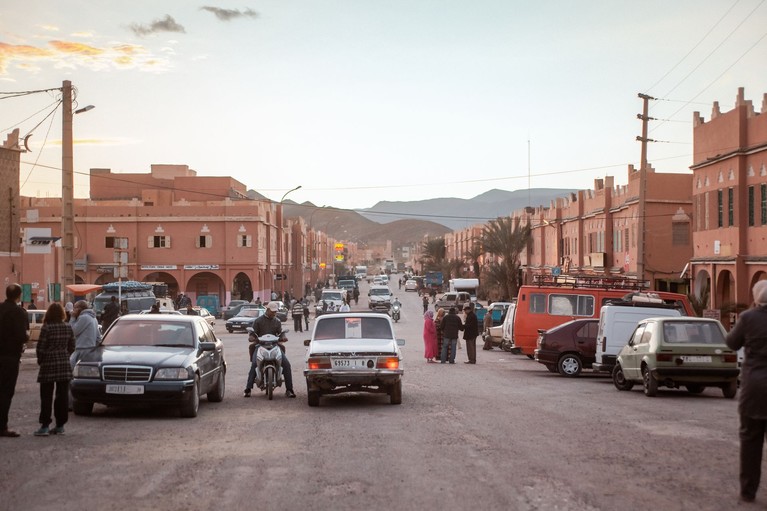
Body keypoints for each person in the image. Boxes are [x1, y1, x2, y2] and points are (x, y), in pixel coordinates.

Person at [726, 280, 767, 504]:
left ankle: (748, 491)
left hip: (754, 389)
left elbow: (732, 343)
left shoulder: (749, 318)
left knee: (751, 441)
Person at [34, 303, 75, 436]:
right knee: (62, 396)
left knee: (46, 396)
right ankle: (60, 425)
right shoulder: (67, 327)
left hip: (49, 364)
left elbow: (40, 347)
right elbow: (72, 346)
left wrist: (41, 360)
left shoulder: (47, 327)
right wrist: (65, 355)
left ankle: (45, 425)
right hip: (63, 363)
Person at [244, 302, 296, 398]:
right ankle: (248, 389)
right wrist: (251, 337)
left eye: (275, 312)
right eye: (272, 312)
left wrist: (283, 337)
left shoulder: (277, 321)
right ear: (267, 310)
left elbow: (281, 333)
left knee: (286, 364)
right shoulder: (258, 321)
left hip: (274, 346)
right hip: (260, 346)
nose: (273, 314)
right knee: (255, 364)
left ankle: (289, 389)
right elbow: (252, 334)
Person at [0, 284, 29, 438]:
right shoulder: (19, 313)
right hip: (10, 357)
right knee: (5, 392)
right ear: (19, 295)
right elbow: (22, 335)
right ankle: (2, 426)